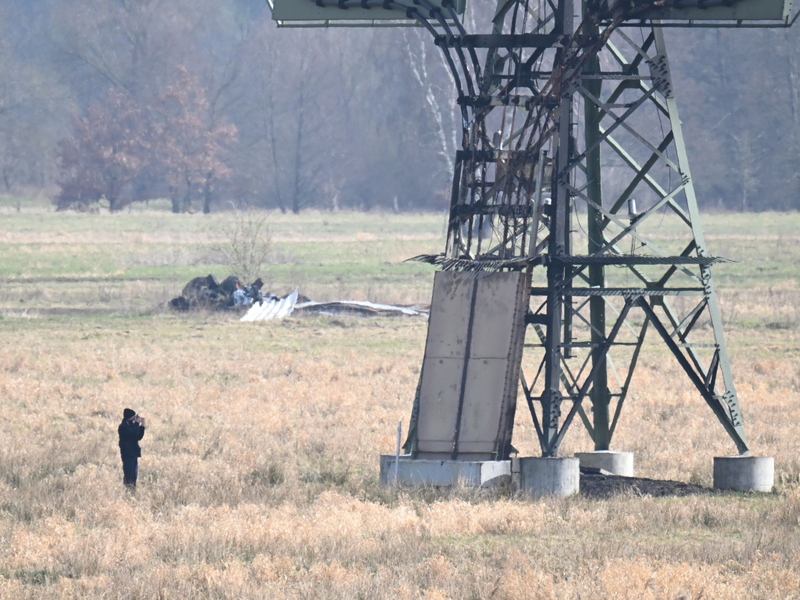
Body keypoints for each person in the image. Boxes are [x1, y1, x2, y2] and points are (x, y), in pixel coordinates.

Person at [118, 408, 146, 489]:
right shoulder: (123, 427)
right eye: (134, 416)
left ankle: (132, 490)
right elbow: (132, 433)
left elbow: (138, 436)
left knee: (134, 475)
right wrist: (137, 423)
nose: (135, 418)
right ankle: (128, 489)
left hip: (134, 454)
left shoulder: (131, 425)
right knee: (128, 474)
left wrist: (142, 426)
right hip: (127, 454)